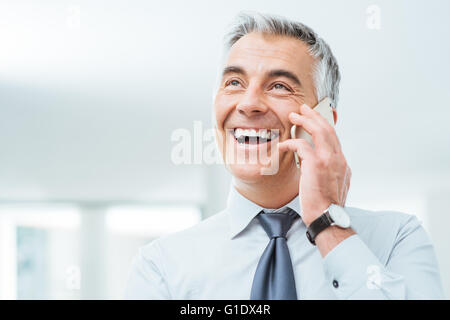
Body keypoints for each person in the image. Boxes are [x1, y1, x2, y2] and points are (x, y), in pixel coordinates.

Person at [125, 11, 444, 299]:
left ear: (323, 120)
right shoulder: (160, 267)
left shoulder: (396, 240)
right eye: (234, 82)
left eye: (279, 86)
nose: (248, 103)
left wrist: (328, 224)